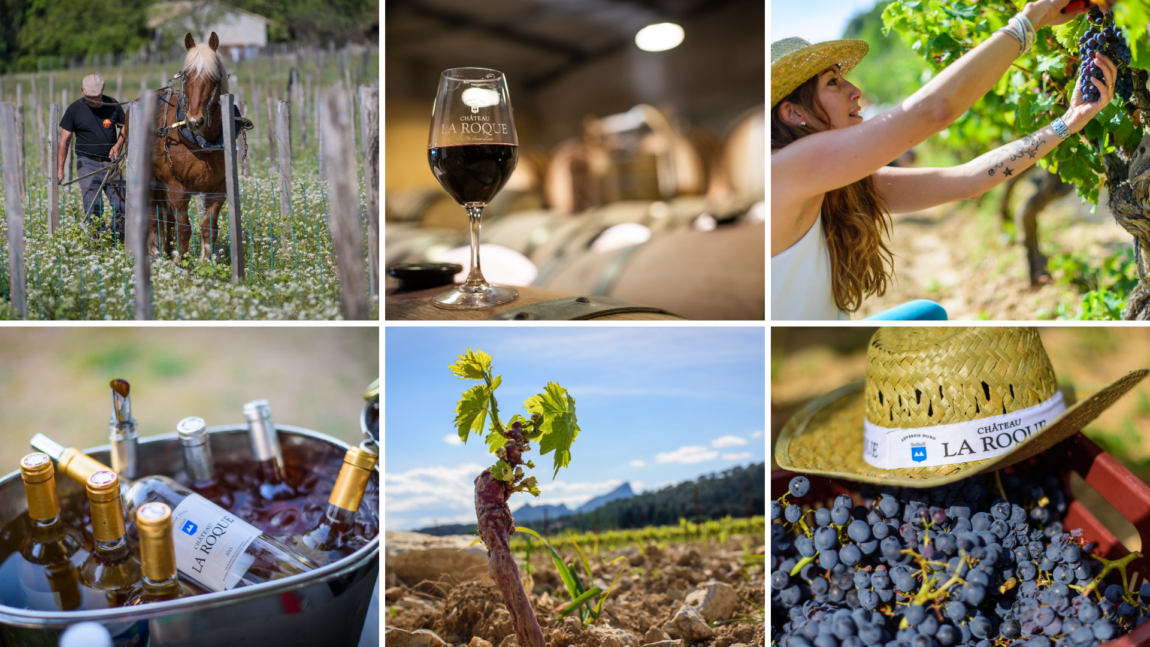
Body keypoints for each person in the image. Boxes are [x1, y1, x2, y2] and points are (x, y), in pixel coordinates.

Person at [771, 0, 1113, 320]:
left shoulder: (843, 183)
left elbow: (970, 181)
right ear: (794, 112)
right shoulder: (783, 171)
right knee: (928, 314)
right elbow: (937, 109)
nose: (854, 90)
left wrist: (1068, 122)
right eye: (833, 83)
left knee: (928, 312)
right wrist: (1030, 18)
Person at [58, 74, 127, 242]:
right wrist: (60, 168)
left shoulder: (114, 106)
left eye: (97, 98)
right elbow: (64, 140)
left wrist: (118, 145)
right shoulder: (74, 109)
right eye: (90, 98)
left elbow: (125, 127)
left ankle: (117, 237)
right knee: (94, 206)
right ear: (83, 91)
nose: (94, 102)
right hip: (87, 162)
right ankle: (97, 241)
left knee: (122, 203)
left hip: (112, 164)